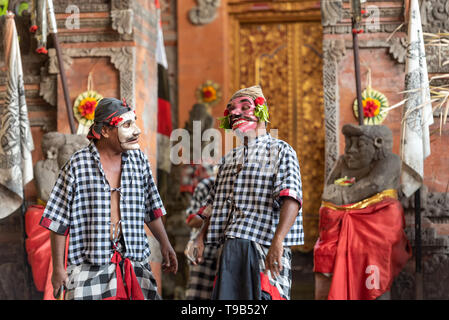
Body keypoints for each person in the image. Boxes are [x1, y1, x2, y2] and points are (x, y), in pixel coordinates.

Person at [39, 97, 177, 300]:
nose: (136, 131)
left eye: (135, 123)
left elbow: (152, 209)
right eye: (127, 125)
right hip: (89, 268)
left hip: (134, 264)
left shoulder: (139, 162)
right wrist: (59, 269)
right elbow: (58, 221)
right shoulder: (78, 165)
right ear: (104, 131)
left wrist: (165, 244)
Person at [194, 85, 303, 300]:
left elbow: (291, 198)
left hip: (262, 246)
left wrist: (278, 241)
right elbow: (214, 204)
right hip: (229, 248)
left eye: (245, 107)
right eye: (231, 109)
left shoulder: (281, 150)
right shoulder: (228, 160)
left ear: (262, 112)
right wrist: (199, 238)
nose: (236, 113)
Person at [314, 124, 411, 300]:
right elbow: (327, 193)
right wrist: (344, 198)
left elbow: (375, 184)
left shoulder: (390, 161)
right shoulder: (343, 161)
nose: (350, 150)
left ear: (378, 143)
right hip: (341, 224)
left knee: (376, 248)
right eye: (348, 143)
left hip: (376, 225)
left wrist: (343, 195)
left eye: (359, 145)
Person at [184, 171, 217, 300]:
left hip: (226, 252)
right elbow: (191, 221)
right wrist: (215, 213)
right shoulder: (206, 186)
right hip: (203, 253)